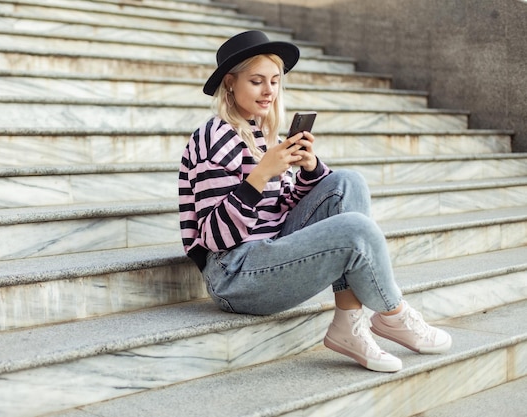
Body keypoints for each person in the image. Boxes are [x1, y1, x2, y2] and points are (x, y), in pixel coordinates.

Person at [178, 30, 451, 373]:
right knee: (354, 230)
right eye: (257, 81)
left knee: (347, 182)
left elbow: (288, 208)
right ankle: (392, 313)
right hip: (235, 274)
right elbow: (215, 238)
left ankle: (348, 321)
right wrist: (260, 176)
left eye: (275, 81)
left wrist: (309, 168)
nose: (269, 91)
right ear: (230, 84)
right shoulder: (212, 138)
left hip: (272, 252)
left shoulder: (263, 134)